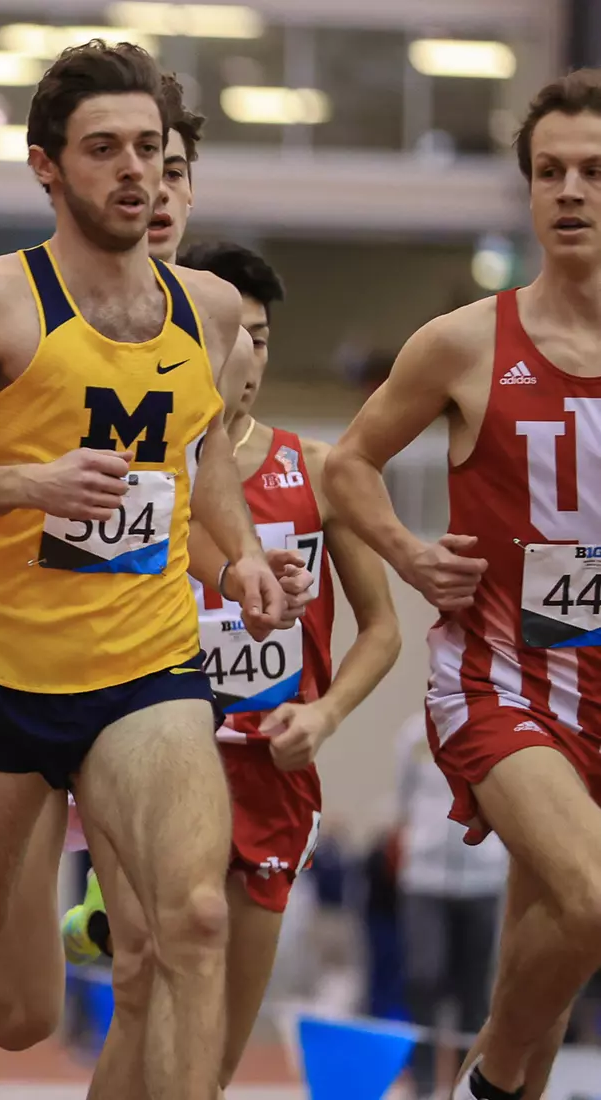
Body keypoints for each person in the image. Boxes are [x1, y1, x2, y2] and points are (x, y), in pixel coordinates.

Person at [0, 41, 286, 1100]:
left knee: (191, 922)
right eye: (105, 149)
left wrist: (245, 554)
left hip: (151, 671)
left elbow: (205, 464)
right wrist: (27, 486)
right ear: (45, 165)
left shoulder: (205, 309)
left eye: (151, 152)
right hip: (7, 687)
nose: (135, 172)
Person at [61, 240, 402, 1095]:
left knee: (205, 1064)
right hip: (156, 757)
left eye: (261, 337)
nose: (244, 356)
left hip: (271, 778)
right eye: (231, 334)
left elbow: (384, 630)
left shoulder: (318, 470)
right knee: (142, 996)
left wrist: (324, 717)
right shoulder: (134, 471)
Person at [323, 70, 601, 1100]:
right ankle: (487, 1083)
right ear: (528, 191)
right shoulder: (467, 342)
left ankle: (500, 1081)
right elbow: (345, 464)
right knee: (593, 898)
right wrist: (408, 549)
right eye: (549, 172)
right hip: (501, 676)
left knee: (558, 935)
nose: (569, 190)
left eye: (593, 172)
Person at [393, 714, 508, 1098]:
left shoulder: (499, 729)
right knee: (423, 977)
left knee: (473, 992)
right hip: (424, 880)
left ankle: (463, 1083)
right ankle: (424, 1082)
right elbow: (403, 799)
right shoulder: (413, 736)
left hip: (482, 878)